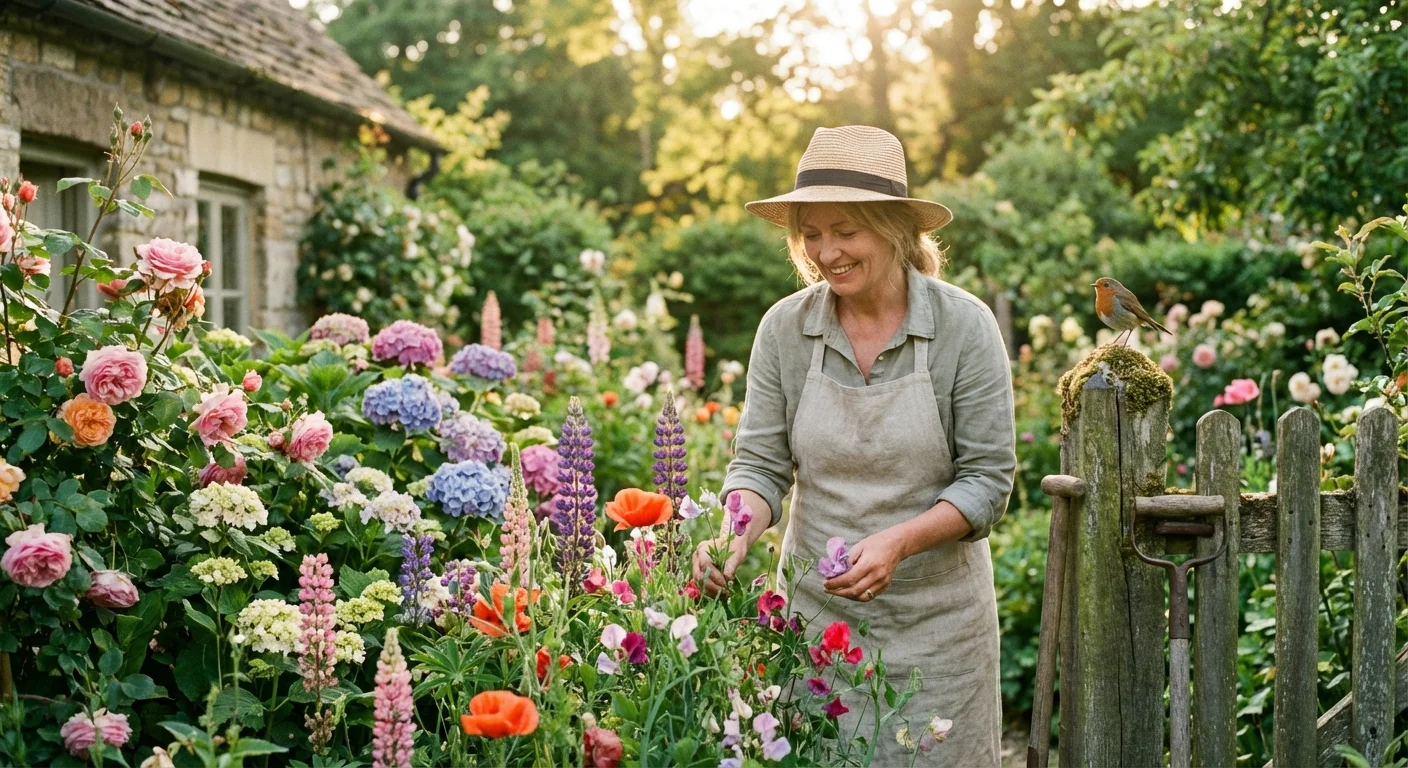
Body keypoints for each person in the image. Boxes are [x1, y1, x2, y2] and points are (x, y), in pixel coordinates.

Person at [691, 125, 1016, 766]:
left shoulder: (962, 327)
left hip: (939, 635)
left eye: (845, 231)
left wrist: (897, 542)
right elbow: (759, 464)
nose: (825, 252)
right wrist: (731, 535)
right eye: (811, 233)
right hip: (816, 632)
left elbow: (987, 483)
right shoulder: (786, 329)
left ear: (893, 230)